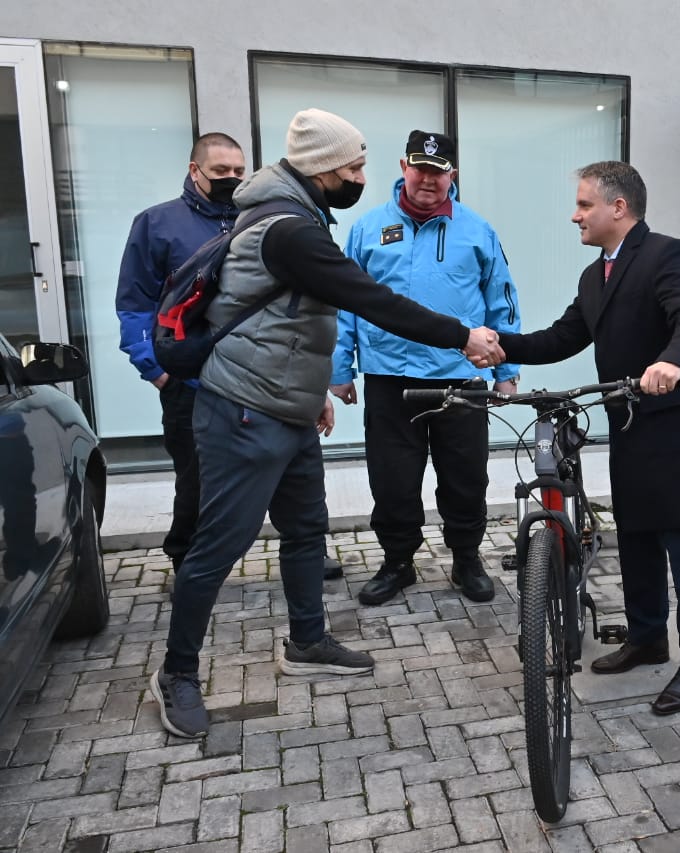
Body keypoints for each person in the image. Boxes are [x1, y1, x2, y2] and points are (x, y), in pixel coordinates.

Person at [149, 108, 504, 739]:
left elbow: (292, 320)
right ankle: (177, 671)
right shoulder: (288, 229)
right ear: (322, 168)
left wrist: (314, 389)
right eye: (356, 166)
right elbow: (369, 300)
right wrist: (462, 335)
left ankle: (308, 641)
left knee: (307, 531)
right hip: (244, 409)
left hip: (288, 407)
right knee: (217, 548)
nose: (362, 176)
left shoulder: (301, 216)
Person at [493, 161, 680, 716]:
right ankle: (647, 638)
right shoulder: (595, 275)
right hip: (629, 430)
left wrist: (672, 362)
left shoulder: (667, 254)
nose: (575, 216)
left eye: (583, 205)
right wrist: (501, 346)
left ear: (617, 208)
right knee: (639, 543)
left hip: (674, 433)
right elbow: (562, 336)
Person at [116, 135, 345, 581]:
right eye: (220, 171)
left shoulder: (263, 220)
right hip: (195, 384)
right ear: (193, 170)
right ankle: (189, 563)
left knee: (294, 477)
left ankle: (307, 554)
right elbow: (134, 304)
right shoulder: (158, 224)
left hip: (269, 384)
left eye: (239, 171)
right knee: (197, 482)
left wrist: (315, 384)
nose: (232, 179)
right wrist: (158, 370)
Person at [330, 131, 521, 606]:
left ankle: (466, 558)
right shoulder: (367, 229)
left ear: (452, 174)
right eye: (420, 168)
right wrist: (340, 367)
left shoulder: (477, 230)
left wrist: (506, 368)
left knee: (465, 476)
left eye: (438, 171)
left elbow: (501, 301)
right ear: (402, 166)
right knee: (392, 478)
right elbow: (344, 304)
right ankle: (398, 561)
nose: (428, 180)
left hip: (462, 377)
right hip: (389, 378)